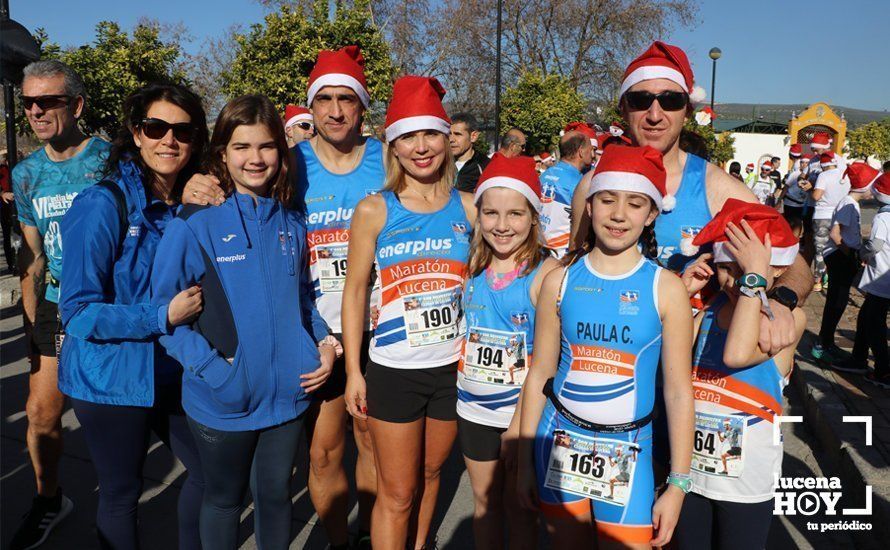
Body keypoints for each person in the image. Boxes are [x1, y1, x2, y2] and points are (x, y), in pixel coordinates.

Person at [568, 39, 812, 480]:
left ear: (686, 108)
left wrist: (781, 302)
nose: (655, 113)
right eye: (642, 100)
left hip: (690, 385)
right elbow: (571, 272)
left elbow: (794, 263)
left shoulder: (718, 188)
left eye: (670, 100)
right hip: (611, 379)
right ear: (624, 108)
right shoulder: (593, 188)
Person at [182, 45, 382, 550]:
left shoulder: (388, 159)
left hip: (383, 330)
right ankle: (340, 539)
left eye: (347, 99)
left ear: (363, 105)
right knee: (320, 456)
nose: (335, 111)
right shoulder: (286, 162)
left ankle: (374, 535)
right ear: (310, 108)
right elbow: (238, 191)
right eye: (325, 99)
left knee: (375, 449)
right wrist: (196, 187)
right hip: (314, 338)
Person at [151, 93, 336, 550]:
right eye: (241, 147)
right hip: (222, 399)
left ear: (281, 151)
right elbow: (165, 316)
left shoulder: (291, 223)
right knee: (224, 500)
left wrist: (323, 344)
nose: (255, 158)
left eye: (267, 146)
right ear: (221, 154)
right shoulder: (193, 225)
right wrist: (218, 373)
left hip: (289, 394)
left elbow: (301, 301)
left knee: (274, 497)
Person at [519, 145, 694, 549]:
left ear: (651, 214)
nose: (619, 214)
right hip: (558, 441)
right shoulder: (558, 281)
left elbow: (678, 390)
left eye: (635, 204)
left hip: (630, 450)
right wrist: (524, 464)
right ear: (591, 206)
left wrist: (679, 484)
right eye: (607, 200)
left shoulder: (665, 288)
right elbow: (540, 374)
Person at [58, 83, 208, 550]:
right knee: (122, 494)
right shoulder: (102, 204)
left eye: (182, 130)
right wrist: (161, 315)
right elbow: (78, 312)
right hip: (112, 377)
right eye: (156, 127)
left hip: (176, 369)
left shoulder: (194, 197)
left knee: (211, 477)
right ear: (135, 133)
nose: (170, 140)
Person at [342, 75, 475, 550]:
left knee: (432, 473)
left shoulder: (471, 208)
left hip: (453, 369)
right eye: (408, 137)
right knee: (396, 494)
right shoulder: (375, 210)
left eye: (431, 135)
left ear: (448, 138)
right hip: (394, 370)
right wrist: (354, 371)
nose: (421, 148)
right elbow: (355, 292)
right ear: (393, 146)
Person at [9, 59, 112, 550]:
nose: (35, 110)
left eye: (47, 100)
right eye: (28, 101)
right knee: (41, 414)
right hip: (55, 303)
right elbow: (32, 259)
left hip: (111, 304)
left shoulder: (110, 160)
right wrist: (31, 327)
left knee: (112, 420)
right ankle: (49, 500)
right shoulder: (27, 173)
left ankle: (119, 511)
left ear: (76, 104)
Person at [675, 199, 806, 550]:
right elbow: (665, 357)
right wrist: (682, 296)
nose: (735, 280)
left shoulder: (784, 320)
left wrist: (754, 278)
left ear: (776, 270)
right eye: (726, 268)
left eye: (744, 270)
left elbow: (736, 354)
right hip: (693, 475)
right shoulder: (708, 312)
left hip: (746, 484)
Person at [458, 154, 559, 549]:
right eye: (491, 213)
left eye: (515, 214)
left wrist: (521, 422)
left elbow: (549, 360)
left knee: (520, 511)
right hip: (473, 409)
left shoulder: (546, 273)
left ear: (534, 217)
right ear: (478, 214)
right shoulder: (473, 263)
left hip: (521, 415)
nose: (502, 226)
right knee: (485, 506)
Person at [812, 162, 878, 367]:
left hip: (844, 256)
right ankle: (822, 345)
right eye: (872, 185)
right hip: (840, 256)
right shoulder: (847, 203)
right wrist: (850, 254)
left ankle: (828, 342)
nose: (874, 191)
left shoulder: (852, 203)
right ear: (864, 186)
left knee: (838, 302)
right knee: (836, 302)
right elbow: (835, 233)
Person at [853, 173, 890, 387]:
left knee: (875, 324)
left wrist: (862, 253)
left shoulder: (883, 217)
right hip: (884, 279)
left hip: (880, 279)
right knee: (867, 317)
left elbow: (875, 244)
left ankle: (883, 371)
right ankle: (858, 357)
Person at [540, 124, 593, 258]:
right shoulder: (581, 184)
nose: (592, 154)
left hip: (538, 250)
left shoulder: (544, 175)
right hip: (562, 256)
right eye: (590, 149)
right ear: (581, 151)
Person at [806, 152, 850, 293]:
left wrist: (810, 189)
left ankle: (817, 281)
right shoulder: (845, 175)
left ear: (823, 165)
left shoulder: (824, 176)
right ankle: (830, 278)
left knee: (820, 248)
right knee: (835, 247)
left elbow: (816, 196)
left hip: (823, 215)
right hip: (841, 215)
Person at [451, 112, 490, 192]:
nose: (451, 139)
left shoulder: (486, 167)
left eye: (457, 134)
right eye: (449, 134)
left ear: (473, 136)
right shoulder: (440, 163)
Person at [779, 144, 808, 221]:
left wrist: (779, 200)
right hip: (800, 200)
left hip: (793, 200)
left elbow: (789, 184)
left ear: (790, 154)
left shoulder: (797, 166)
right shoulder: (798, 164)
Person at [1, 153, 18, 272]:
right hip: (3, 207)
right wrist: (2, 194)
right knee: (7, 235)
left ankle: (18, 262)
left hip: (17, 206)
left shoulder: (18, 170)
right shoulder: (2, 170)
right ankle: (11, 264)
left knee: (20, 234)